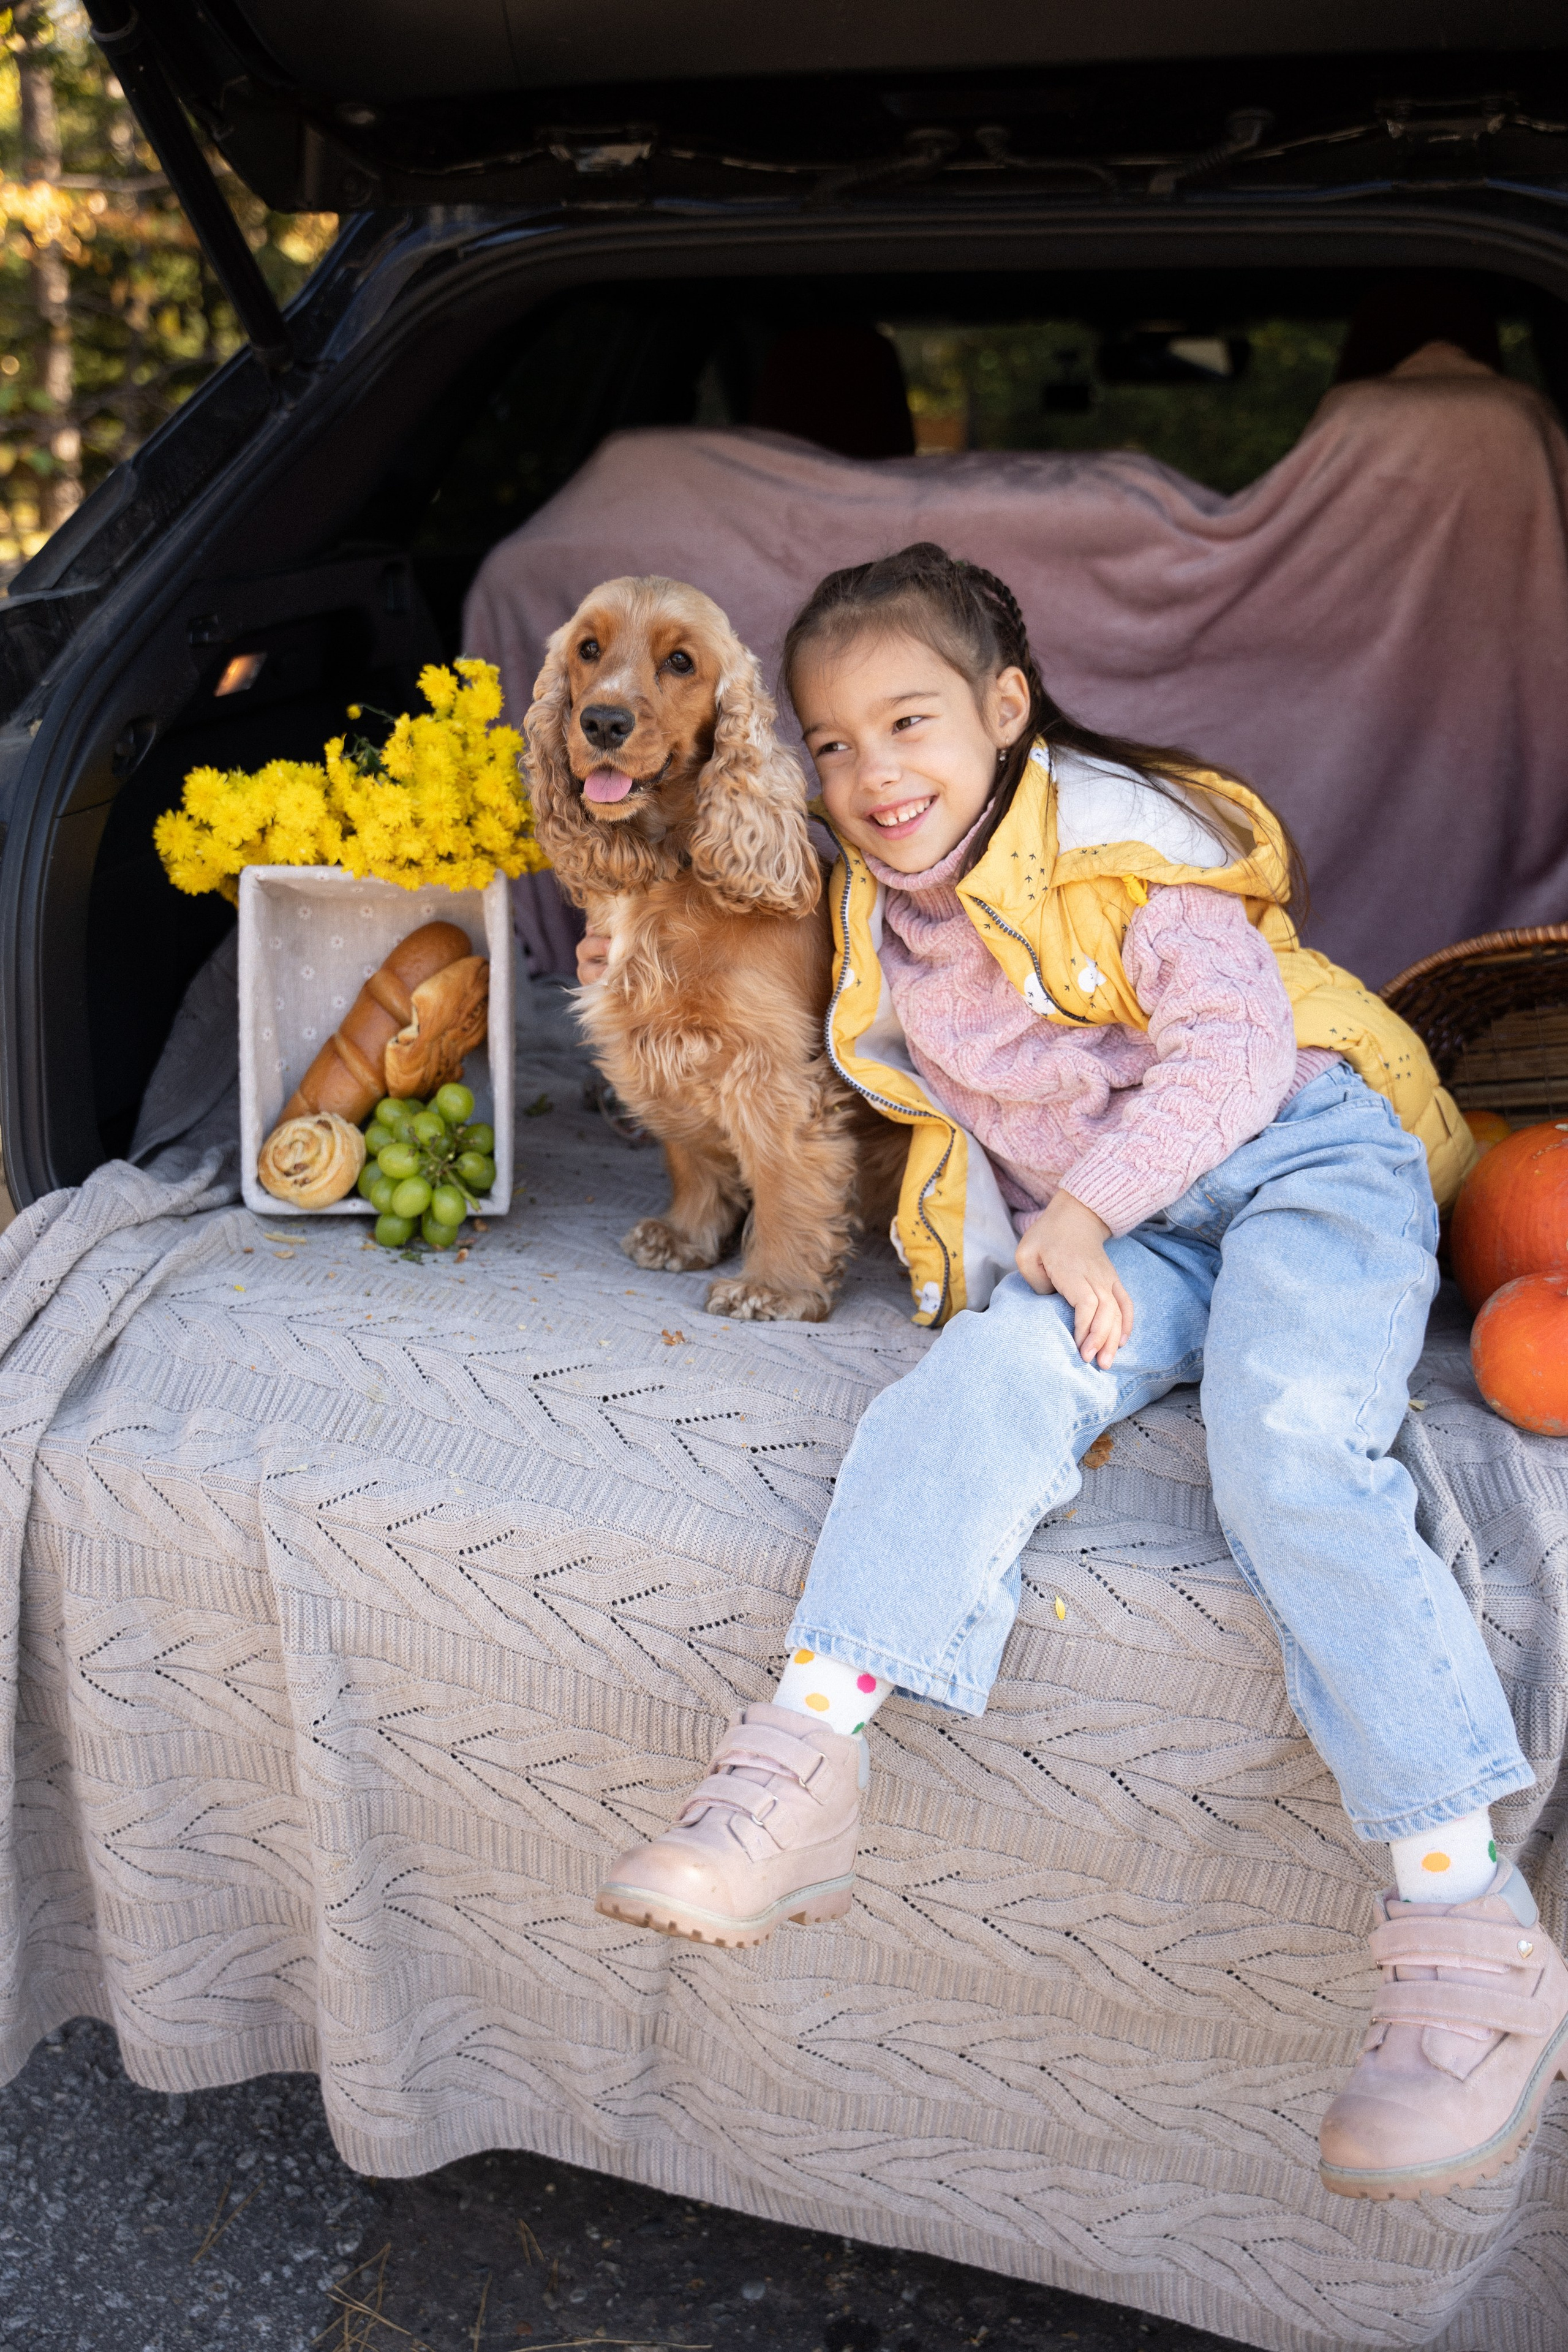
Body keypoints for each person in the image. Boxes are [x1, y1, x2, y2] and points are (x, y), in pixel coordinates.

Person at [588, 541, 1568, 2201]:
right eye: (831, 742)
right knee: (970, 1389)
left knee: (1287, 1448)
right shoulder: (878, 922)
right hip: (1123, 1235)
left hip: (1300, 1159)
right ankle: (802, 1763)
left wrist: (1086, 1214)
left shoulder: (1128, 850)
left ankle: (1469, 1917)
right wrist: (1035, 1255)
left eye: (908, 724)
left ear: (1005, 709)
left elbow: (1239, 1057)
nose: (870, 773)